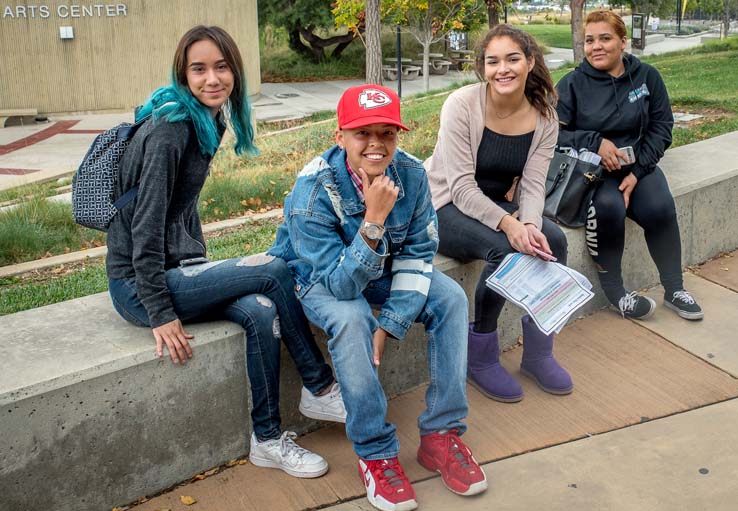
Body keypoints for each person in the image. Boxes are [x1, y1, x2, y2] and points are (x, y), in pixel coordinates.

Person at [105, 25, 346, 479]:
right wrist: (158, 310)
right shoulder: (170, 129)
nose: (212, 78)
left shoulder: (203, 119)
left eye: (221, 67)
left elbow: (182, 208)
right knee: (272, 269)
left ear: (235, 71)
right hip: (138, 287)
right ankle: (320, 385)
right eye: (199, 69)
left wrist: (200, 264)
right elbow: (146, 224)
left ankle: (268, 440)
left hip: (176, 269)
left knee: (259, 308)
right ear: (183, 73)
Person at [269, 84, 487, 511]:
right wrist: (372, 221)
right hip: (320, 278)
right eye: (362, 133)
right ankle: (375, 452)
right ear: (340, 137)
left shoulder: (410, 173)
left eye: (386, 133)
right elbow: (338, 285)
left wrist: (391, 322)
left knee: (451, 299)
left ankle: (441, 435)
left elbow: (419, 251)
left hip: (381, 270)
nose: (375, 144)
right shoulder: (312, 191)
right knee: (351, 319)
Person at [424, 25, 572, 404]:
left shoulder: (545, 117)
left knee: (553, 240)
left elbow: (535, 185)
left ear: (530, 62)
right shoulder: (461, 105)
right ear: (483, 68)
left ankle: (539, 352)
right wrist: (511, 225)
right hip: (443, 205)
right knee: (505, 250)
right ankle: (481, 355)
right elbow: (459, 188)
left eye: (512, 59)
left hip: (492, 205)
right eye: (493, 61)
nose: (502, 69)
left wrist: (529, 225)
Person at [555, 10, 703, 321]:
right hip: (594, 173)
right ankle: (616, 293)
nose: (596, 46)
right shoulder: (571, 85)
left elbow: (662, 127)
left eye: (605, 38)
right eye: (589, 40)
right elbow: (553, 133)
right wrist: (595, 141)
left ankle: (674, 289)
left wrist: (637, 173)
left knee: (659, 207)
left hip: (639, 167)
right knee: (609, 208)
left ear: (623, 42)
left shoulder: (647, 77)